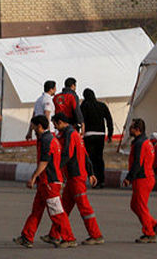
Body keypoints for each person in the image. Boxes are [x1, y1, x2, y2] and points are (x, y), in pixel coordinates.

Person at [13, 115, 76, 249]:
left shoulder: (47, 140)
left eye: (34, 127)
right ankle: (27, 236)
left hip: (50, 181)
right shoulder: (48, 139)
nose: (33, 130)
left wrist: (34, 176)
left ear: (39, 126)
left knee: (56, 212)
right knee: (36, 210)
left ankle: (69, 238)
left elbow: (45, 161)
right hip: (45, 182)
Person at [51, 111, 104, 245]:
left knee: (84, 207)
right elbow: (85, 155)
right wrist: (91, 172)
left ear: (61, 123)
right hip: (74, 177)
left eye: (55, 125)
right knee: (64, 207)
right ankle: (54, 233)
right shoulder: (76, 134)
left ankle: (96, 235)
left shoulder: (69, 135)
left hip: (76, 176)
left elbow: (67, 154)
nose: (55, 128)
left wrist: (55, 169)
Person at [122, 118, 157, 243]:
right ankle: (153, 224)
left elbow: (137, 163)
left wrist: (129, 178)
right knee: (135, 205)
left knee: (141, 206)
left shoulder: (140, 143)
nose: (130, 129)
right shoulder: (144, 141)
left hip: (143, 178)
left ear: (137, 130)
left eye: (132, 127)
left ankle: (149, 233)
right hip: (146, 177)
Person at [80, 87, 113, 184]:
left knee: (91, 158)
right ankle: (101, 180)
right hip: (101, 135)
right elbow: (109, 119)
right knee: (99, 157)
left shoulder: (84, 106)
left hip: (88, 135)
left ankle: (94, 179)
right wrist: (110, 134)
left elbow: (81, 120)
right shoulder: (102, 105)